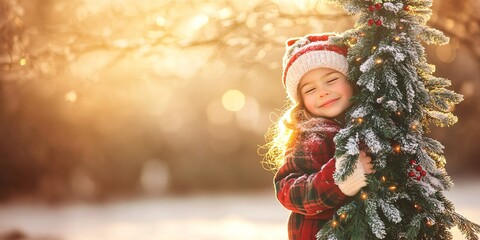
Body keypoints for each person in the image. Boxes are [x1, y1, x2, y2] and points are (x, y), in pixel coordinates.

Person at [263, 33, 375, 240]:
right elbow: (287, 189)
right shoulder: (310, 135)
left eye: (331, 80)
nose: (322, 92)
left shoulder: (372, 124)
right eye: (310, 89)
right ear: (302, 101)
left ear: (351, 81)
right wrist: (338, 180)